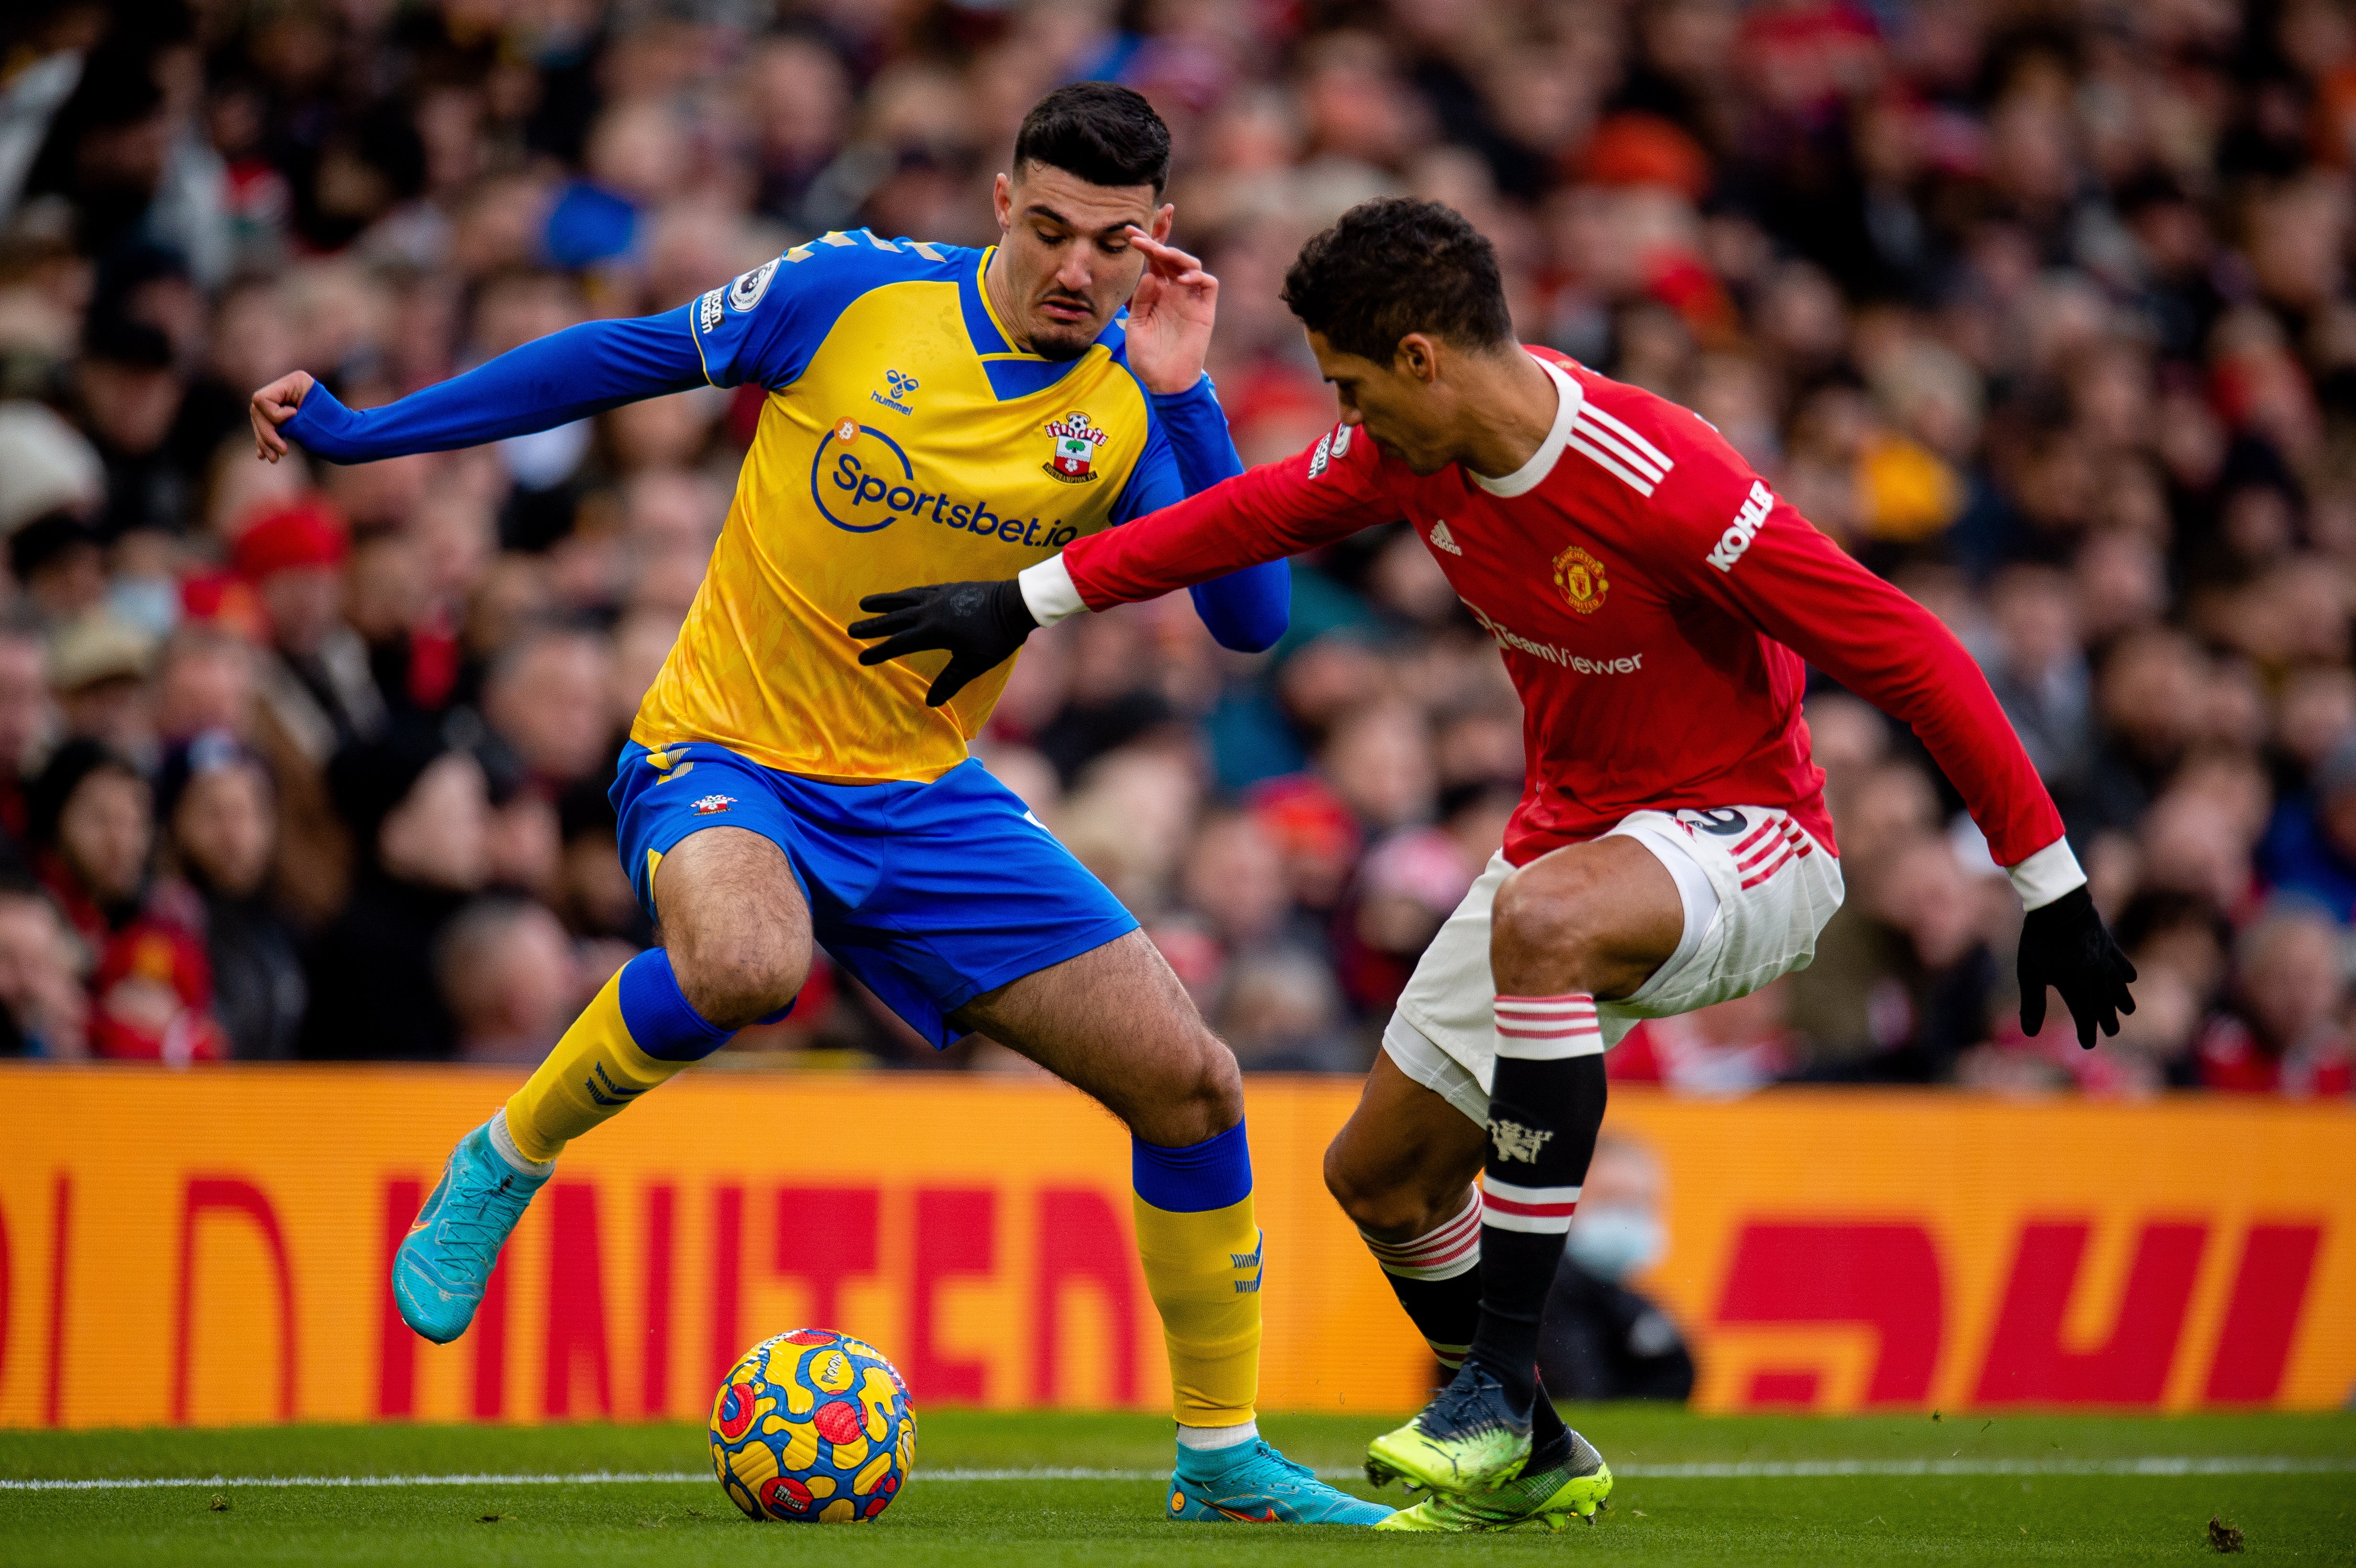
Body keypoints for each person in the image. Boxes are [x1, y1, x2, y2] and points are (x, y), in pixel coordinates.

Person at [850, 197, 2138, 1532]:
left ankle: (1498, 1392)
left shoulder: (1664, 480)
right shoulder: (1409, 456)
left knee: (1547, 920)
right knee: (1382, 1179)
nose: (1345, 414)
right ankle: (1539, 1449)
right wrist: (1022, 599)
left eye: (1351, 383)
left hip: (1751, 835)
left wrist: (2048, 885)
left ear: (1420, 359)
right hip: (1570, 844)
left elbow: (1908, 650)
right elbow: (1237, 522)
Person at [248, 85, 1383, 1526]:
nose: (1074, 271)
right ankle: (504, 1157)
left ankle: (1220, 1460)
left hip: (922, 800)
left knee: (1194, 1083)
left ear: (1157, 242)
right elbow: (618, 359)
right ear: (998, 206)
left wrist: (1186, 392)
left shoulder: (1130, 396)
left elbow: (1248, 617)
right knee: (745, 963)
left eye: (1109, 243)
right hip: (727, 757)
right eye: (1046, 231)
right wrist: (366, 435)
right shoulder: (849, 294)